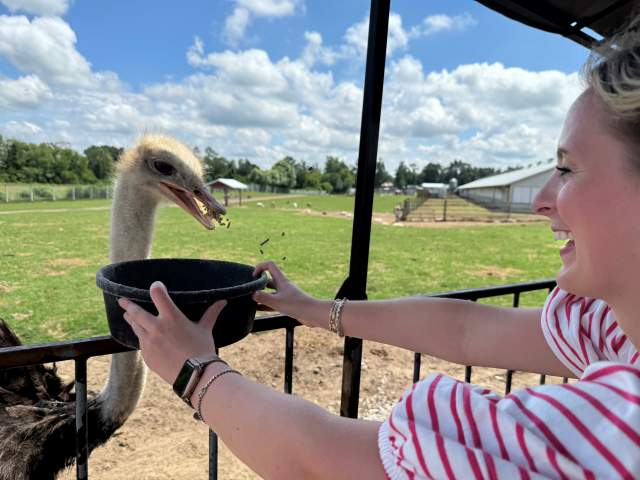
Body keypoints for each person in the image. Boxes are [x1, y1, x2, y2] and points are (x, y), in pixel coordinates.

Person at [118, 21, 640, 480]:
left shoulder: (611, 437)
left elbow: (319, 462)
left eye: (567, 169)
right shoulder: (612, 326)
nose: (542, 201)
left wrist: (195, 372)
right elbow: (469, 330)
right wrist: (318, 310)